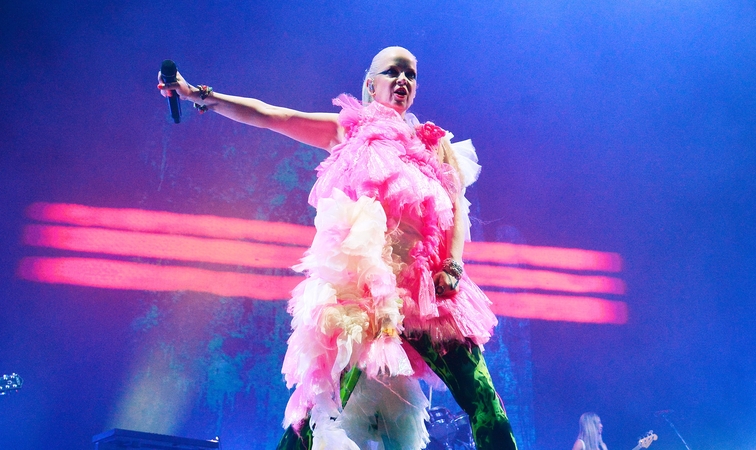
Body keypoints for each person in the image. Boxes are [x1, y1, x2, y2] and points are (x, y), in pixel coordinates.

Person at [158, 46, 517, 450]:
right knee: (322, 405)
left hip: (427, 293)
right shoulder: (349, 131)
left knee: (484, 399)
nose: (403, 80)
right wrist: (198, 95)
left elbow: (456, 207)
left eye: (411, 75)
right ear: (371, 83)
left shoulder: (434, 144)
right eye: (393, 71)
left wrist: (452, 263)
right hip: (365, 296)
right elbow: (274, 116)